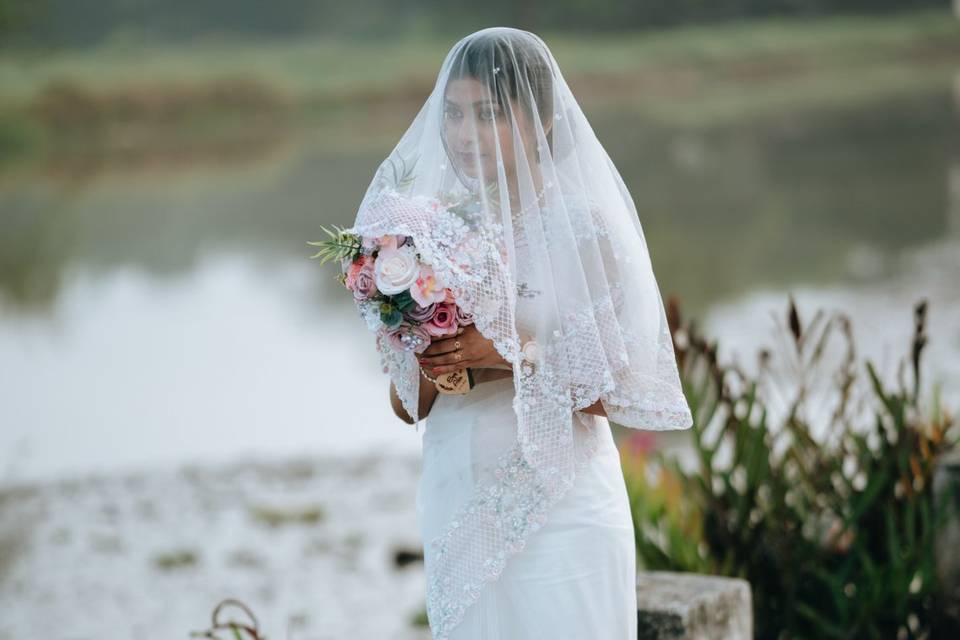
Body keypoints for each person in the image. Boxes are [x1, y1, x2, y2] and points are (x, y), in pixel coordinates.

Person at [354, 26, 693, 639]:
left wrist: (509, 350)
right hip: (459, 494)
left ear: (537, 120)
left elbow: (624, 391)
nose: (463, 135)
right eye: (453, 114)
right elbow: (409, 406)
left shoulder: (587, 234)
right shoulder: (429, 239)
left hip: (563, 506)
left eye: (487, 115)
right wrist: (424, 342)